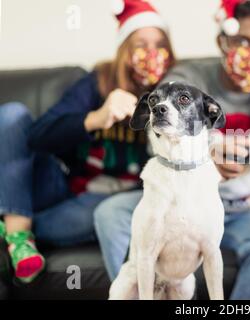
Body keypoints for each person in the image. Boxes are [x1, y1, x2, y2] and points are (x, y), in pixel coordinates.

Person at [94, 0, 250, 299]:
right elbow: (159, 123)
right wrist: (210, 147)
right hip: (178, 200)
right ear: (223, 40)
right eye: (243, 40)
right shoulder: (190, 77)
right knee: (111, 212)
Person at [0, 0, 175, 283]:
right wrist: (96, 117)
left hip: (112, 202)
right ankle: (17, 232)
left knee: (107, 213)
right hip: (65, 187)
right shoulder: (99, 81)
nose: (151, 53)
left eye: (159, 44)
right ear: (125, 49)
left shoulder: (177, 91)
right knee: (11, 114)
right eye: (141, 44)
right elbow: (38, 135)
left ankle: (12, 225)